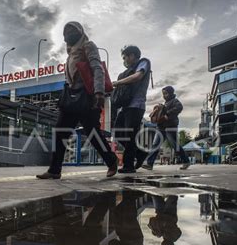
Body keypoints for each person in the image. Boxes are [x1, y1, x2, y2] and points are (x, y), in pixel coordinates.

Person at [37, 22, 118, 179]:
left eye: (72, 30)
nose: (68, 34)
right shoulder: (71, 52)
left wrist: (99, 92)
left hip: (88, 96)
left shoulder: (88, 45)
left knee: (92, 132)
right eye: (65, 32)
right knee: (60, 131)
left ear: (80, 32)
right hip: (71, 96)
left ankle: (111, 160)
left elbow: (97, 69)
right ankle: (54, 170)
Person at [112, 45, 152, 173]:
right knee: (118, 132)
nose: (124, 60)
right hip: (125, 106)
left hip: (136, 105)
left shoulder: (143, 63)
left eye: (125, 57)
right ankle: (140, 154)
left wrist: (118, 82)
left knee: (130, 134)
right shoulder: (127, 71)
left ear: (133, 55)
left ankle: (128, 165)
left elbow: (138, 77)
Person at [142, 86, 190, 171]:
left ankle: (186, 161)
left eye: (166, 93)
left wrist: (167, 114)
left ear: (171, 93)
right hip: (161, 127)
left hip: (170, 127)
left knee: (175, 145)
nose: (164, 95)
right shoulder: (166, 103)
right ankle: (149, 164)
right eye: (163, 94)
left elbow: (179, 107)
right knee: (155, 145)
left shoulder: (175, 101)